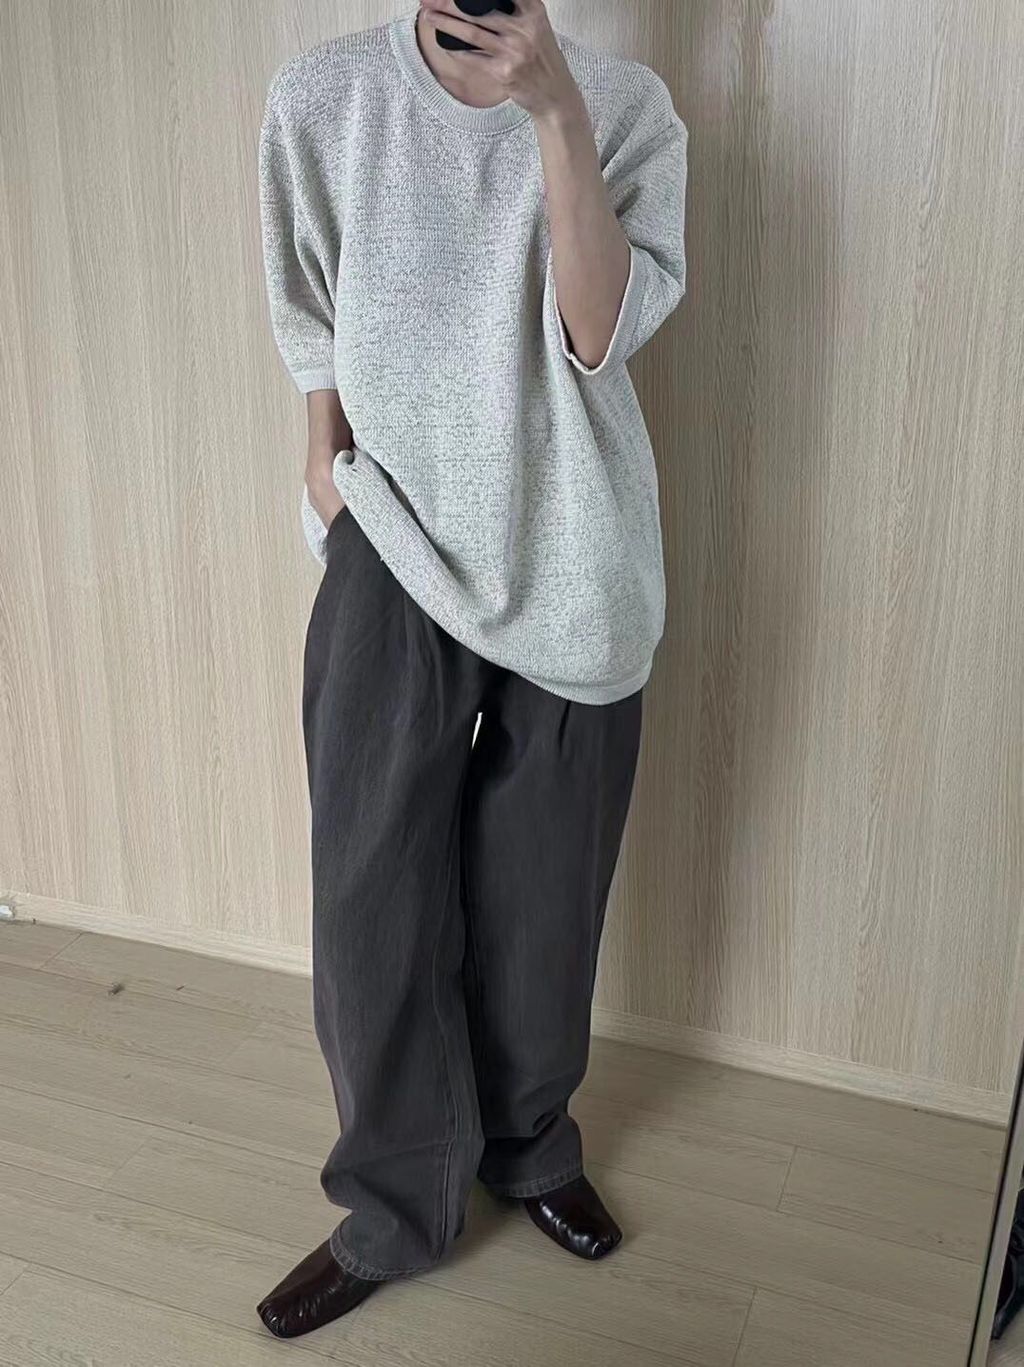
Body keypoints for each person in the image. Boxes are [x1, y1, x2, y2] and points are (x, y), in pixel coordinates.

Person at [255, 0, 687, 1339]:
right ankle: (395, 1205)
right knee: (370, 892)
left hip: (574, 541)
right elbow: (311, 308)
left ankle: (529, 1148)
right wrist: (323, 467)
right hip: (393, 529)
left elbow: (600, 335)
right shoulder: (322, 99)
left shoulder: (625, 108)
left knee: (544, 890)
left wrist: (553, 111)